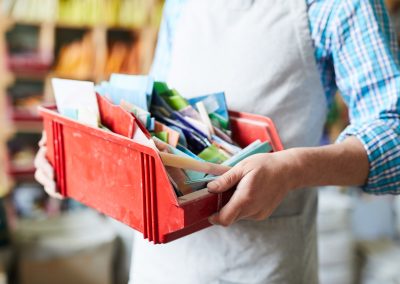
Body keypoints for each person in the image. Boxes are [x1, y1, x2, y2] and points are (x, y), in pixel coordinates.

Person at [35, 0, 400, 283]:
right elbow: (152, 124)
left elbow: (393, 133)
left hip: (261, 269)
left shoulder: (335, 6)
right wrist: (76, 156)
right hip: (158, 268)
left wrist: (292, 169)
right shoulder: (181, 5)